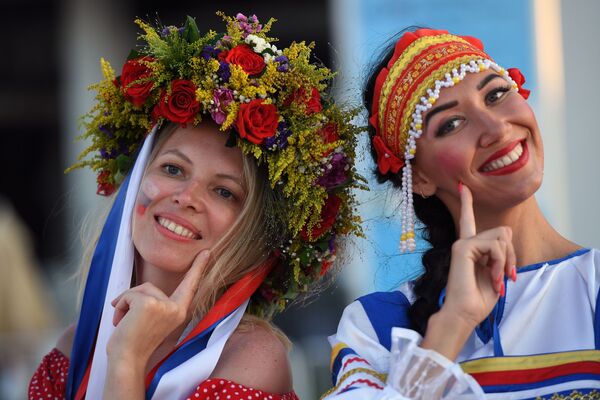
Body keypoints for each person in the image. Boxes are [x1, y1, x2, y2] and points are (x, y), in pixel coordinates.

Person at [28, 12, 363, 400]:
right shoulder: (69, 353)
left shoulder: (250, 361)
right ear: (136, 179)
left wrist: (128, 357)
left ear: (252, 233)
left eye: (224, 192)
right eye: (173, 169)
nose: (186, 197)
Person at [323, 28, 599, 399]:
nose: (496, 128)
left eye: (496, 94)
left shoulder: (593, 287)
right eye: (451, 124)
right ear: (418, 177)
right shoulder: (378, 327)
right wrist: (451, 327)